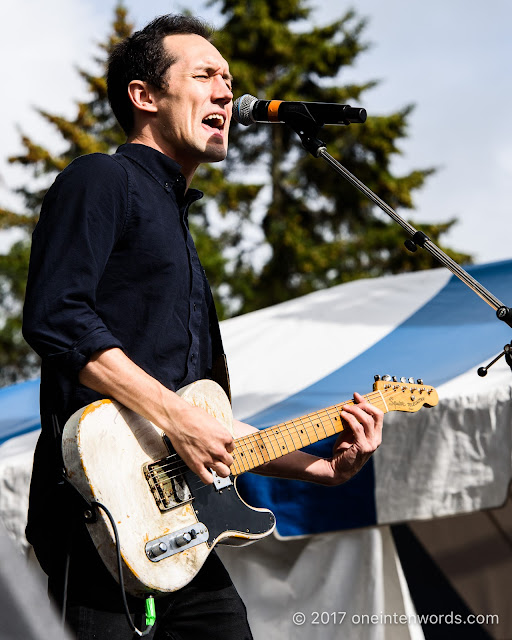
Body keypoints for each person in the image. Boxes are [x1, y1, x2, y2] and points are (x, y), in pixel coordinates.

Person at [22, 14, 383, 640]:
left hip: (175, 532)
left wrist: (324, 467)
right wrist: (179, 418)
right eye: (206, 75)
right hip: (97, 520)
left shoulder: (179, 229)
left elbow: (208, 424)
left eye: (229, 78)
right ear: (145, 96)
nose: (225, 91)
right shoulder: (100, 179)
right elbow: (56, 318)